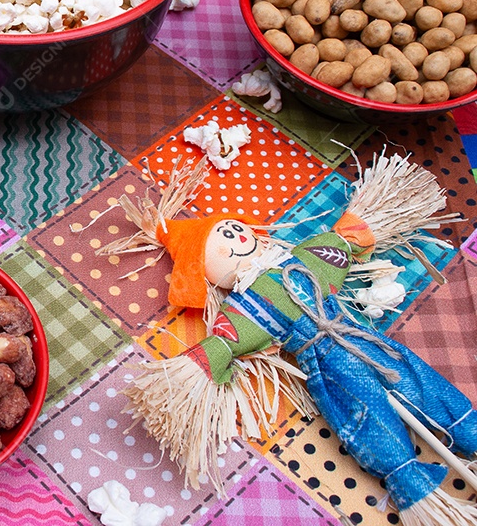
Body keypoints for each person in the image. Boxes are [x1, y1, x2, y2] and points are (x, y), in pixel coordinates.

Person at [132, 211, 477, 525]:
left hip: (360, 338)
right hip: (328, 367)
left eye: (235, 228)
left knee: (413, 377)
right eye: (221, 242)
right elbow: (224, 343)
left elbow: (340, 242)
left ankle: (468, 430)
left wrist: (351, 231)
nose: (237, 237)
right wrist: (197, 369)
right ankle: (418, 492)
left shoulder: (295, 261)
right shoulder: (242, 308)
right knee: (366, 413)